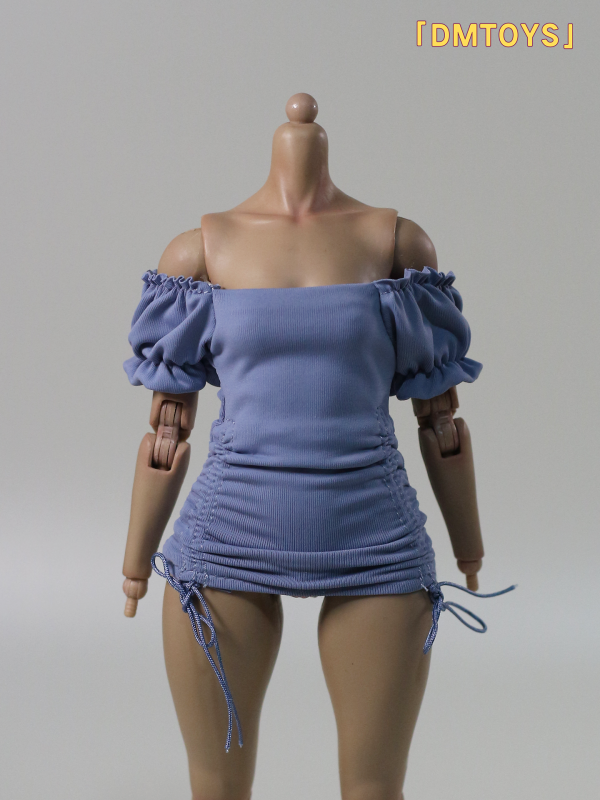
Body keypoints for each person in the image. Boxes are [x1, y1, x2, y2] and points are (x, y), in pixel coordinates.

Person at [121, 94, 513, 800]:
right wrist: (135, 564)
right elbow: (166, 432)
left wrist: (470, 547)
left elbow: (442, 423)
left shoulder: (398, 244)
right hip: (225, 539)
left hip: (376, 539)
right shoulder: (200, 250)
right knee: (216, 786)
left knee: (373, 787)